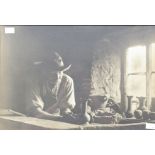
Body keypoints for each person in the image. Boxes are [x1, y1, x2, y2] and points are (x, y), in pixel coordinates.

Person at [26, 52, 76, 119]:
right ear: (44, 71)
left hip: (57, 119)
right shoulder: (35, 81)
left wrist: (68, 115)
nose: (57, 77)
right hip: (36, 119)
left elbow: (66, 107)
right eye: (52, 73)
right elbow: (35, 111)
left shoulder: (67, 81)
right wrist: (58, 118)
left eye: (60, 72)